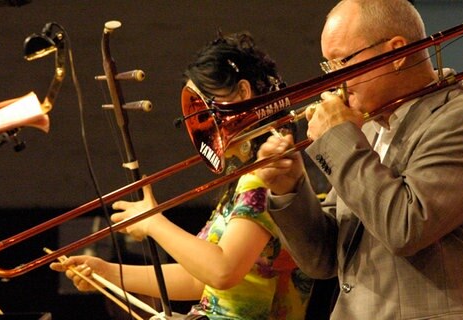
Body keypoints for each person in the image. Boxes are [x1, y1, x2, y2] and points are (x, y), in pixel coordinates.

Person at [255, 0, 463, 319]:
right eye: (329, 67)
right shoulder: (366, 128)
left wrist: (338, 136)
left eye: (343, 63)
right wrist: (290, 188)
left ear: (396, 53)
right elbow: (324, 260)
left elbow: (405, 227)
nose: (334, 82)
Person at [51, 31, 315, 320]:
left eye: (203, 105)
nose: (198, 119)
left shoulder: (269, 176)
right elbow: (199, 279)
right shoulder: (243, 176)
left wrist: (154, 222)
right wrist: (108, 272)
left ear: (242, 93)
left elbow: (222, 271)